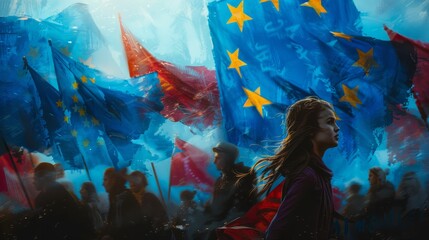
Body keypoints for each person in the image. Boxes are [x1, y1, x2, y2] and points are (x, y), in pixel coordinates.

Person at [248, 97, 340, 240]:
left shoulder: (319, 175)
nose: (337, 127)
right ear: (309, 129)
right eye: (330, 122)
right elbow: (277, 230)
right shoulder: (307, 176)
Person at [32, 162, 93, 240]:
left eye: (35, 178)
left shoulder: (56, 194)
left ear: (44, 177)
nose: (33, 182)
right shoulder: (60, 192)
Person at [208, 141, 257, 223]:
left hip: (235, 226)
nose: (214, 161)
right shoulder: (220, 180)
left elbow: (242, 209)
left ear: (228, 159)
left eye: (218, 158)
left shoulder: (244, 176)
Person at [101, 167, 143, 240]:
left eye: (105, 179)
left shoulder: (124, 198)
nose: (103, 184)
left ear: (113, 180)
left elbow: (132, 230)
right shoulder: (115, 198)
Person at [128, 170, 169, 239]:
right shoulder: (129, 201)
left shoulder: (150, 197)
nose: (132, 183)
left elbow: (162, 216)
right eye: (130, 181)